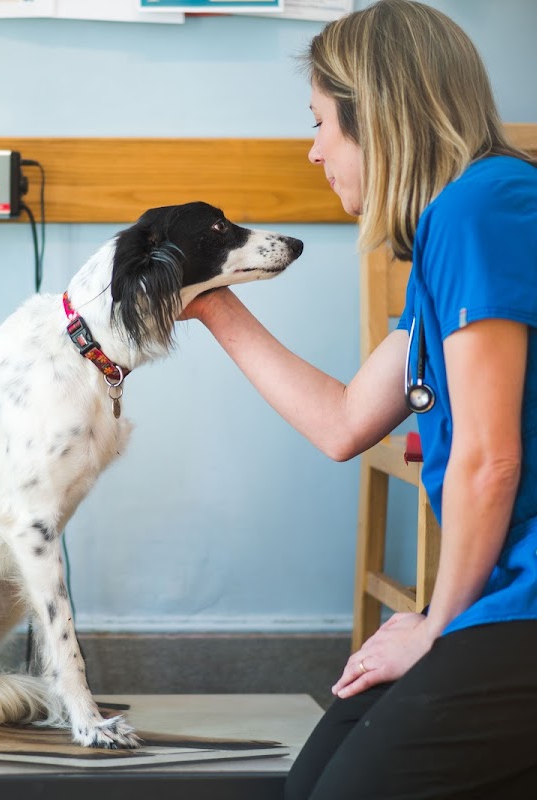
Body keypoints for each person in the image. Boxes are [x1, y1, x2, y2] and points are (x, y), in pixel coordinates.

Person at [182, 1, 537, 797]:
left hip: (523, 600)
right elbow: (344, 422)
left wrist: (433, 627)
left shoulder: (485, 208)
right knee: (312, 784)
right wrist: (211, 302)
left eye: (319, 122)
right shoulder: (455, 226)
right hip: (504, 593)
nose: (313, 151)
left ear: (374, 115)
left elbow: (489, 460)